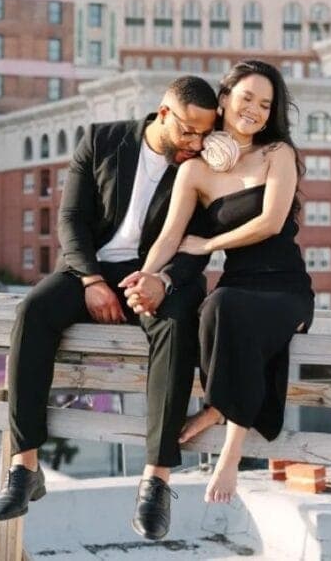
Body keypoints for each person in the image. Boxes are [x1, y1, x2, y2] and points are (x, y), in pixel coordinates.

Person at [0, 75, 218, 541]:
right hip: (88, 271)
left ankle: (155, 480)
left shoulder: (201, 166)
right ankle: (24, 467)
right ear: (164, 113)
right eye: (189, 131)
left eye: (205, 133)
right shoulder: (101, 139)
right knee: (33, 311)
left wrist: (163, 280)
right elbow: (70, 219)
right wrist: (92, 280)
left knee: (176, 327)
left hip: (160, 277)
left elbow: (198, 247)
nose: (197, 142)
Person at [120, 60, 314, 505]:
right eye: (247, 98)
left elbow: (269, 222)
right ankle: (218, 405)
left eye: (266, 104)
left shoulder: (277, 153)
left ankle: (230, 449)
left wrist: (208, 245)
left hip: (286, 288)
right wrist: (145, 279)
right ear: (224, 99)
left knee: (228, 308)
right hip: (237, 285)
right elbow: (171, 235)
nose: (255, 110)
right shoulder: (196, 171)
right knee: (213, 307)